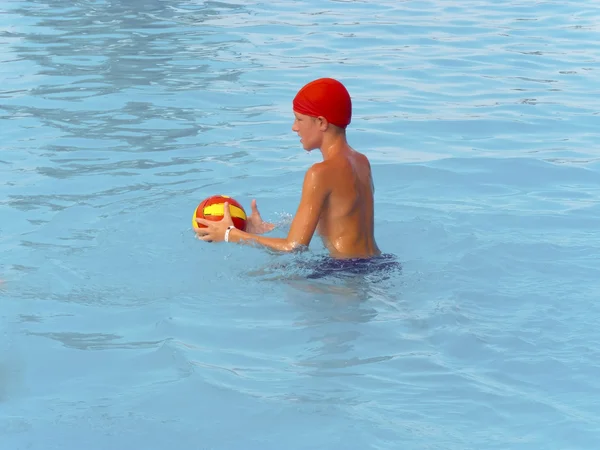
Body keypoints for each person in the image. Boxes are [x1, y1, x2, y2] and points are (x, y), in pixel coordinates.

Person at [196, 77, 381, 260]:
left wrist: (231, 234)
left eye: (299, 119)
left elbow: (294, 247)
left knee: (258, 278)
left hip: (345, 273)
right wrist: (268, 229)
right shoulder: (361, 161)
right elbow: (339, 221)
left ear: (321, 123)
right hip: (378, 264)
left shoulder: (320, 173)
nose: (294, 128)